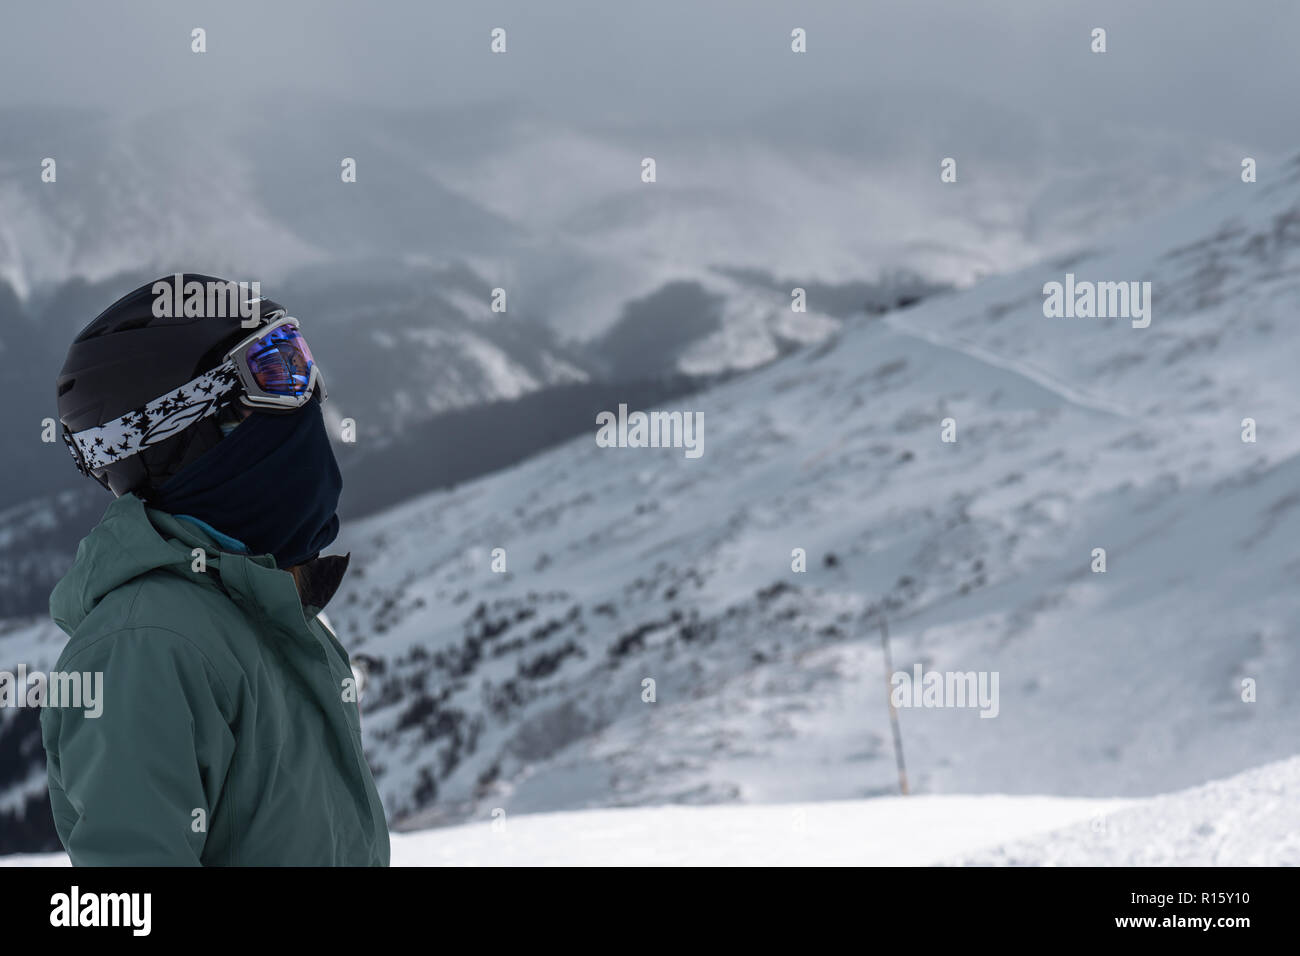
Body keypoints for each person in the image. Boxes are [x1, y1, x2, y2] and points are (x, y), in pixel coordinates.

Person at [41, 275, 390, 866]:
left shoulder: (269, 614)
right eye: (276, 373)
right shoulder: (148, 646)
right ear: (187, 434)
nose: (309, 399)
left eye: (301, 362)